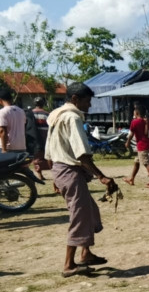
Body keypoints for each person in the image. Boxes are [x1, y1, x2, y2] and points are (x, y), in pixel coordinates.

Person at [43, 82, 114, 277]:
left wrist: (54, 177)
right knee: (80, 215)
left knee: (90, 210)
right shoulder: (72, 118)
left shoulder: (56, 115)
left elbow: (49, 150)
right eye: (87, 101)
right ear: (75, 99)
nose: (89, 106)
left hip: (60, 169)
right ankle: (68, 264)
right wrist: (102, 177)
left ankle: (86, 253)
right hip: (69, 170)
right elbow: (82, 154)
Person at [0, 86, 27, 153]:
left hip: (8, 148)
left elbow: (2, 131)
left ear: (0, 100)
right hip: (21, 146)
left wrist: (4, 149)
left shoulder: (2, 112)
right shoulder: (21, 111)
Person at [30, 97, 50, 180]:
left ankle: (39, 174)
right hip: (45, 138)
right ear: (43, 104)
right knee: (47, 156)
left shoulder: (30, 114)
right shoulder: (47, 114)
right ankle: (50, 170)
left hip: (34, 138)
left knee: (36, 157)